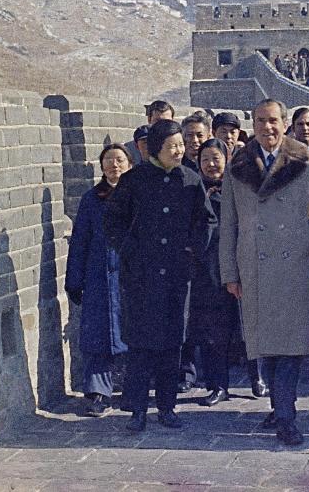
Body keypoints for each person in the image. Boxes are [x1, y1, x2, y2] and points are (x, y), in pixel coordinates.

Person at [219, 99, 309, 446]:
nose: (267, 128)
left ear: (284, 123)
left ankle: (286, 415)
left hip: (294, 265)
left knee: (290, 347)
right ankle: (278, 404)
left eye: (273, 121)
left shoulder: (306, 159)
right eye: (260, 121)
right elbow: (229, 224)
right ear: (251, 125)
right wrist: (230, 272)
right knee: (265, 347)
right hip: (253, 265)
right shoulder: (236, 166)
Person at [104, 119, 213, 432]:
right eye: (173, 146)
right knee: (140, 346)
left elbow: (207, 222)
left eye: (180, 145)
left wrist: (193, 250)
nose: (180, 150)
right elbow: (113, 222)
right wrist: (131, 251)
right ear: (156, 148)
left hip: (177, 278)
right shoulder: (134, 180)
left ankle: (167, 407)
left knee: (171, 345)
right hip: (141, 279)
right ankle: (137, 410)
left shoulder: (191, 180)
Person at [188, 139, 267, 406]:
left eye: (216, 158)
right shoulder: (194, 190)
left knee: (250, 325)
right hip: (209, 271)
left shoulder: (241, 186)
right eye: (205, 160)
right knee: (215, 332)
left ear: (227, 158)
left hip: (242, 265)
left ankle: (258, 378)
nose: (211, 165)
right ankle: (218, 384)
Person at [65, 143, 133, 417]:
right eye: (108, 160)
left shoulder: (139, 196)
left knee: (134, 333)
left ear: (129, 164)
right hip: (98, 277)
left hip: (131, 278)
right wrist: (74, 279)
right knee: (97, 335)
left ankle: (133, 390)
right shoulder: (92, 199)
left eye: (119, 160)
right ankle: (97, 392)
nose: (114, 165)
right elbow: (80, 240)